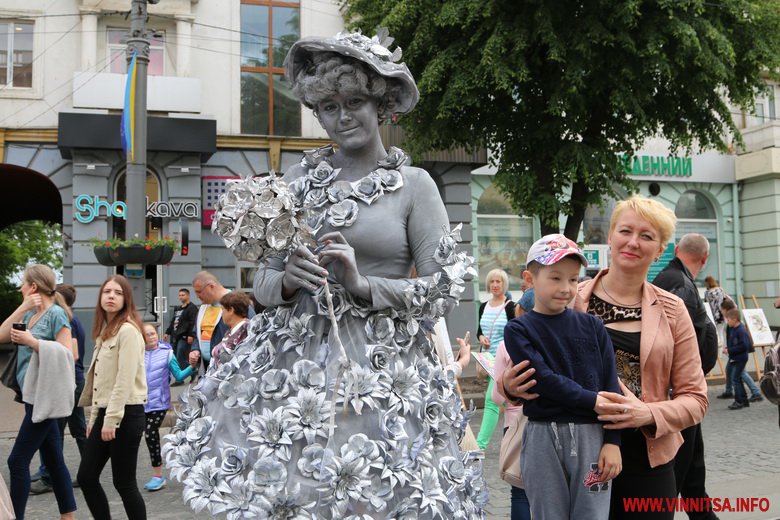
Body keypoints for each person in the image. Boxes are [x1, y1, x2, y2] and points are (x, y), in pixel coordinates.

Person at [165, 30, 486, 517]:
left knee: (377, 494)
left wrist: (363, 285)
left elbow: (443, 291)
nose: (343, 116)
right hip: (295, 378)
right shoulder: (296, 182)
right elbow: (264, 288)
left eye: (354, 100)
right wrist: (289, 279)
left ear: (380, 104)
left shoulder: (415, 185)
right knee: (300, 498)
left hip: (382, 375)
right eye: (329, 106)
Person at [502, 196, 708, 520]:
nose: (633, 242)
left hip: (647, 460)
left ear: (660, 247)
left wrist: (647, 413)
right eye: (625, 230)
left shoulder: (672, 309)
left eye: (647, 236)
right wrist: (510, 386)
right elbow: (532, 367)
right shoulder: (569, 294)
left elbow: (696, 399)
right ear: (610, 236)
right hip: (576, 451)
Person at [505, 234, 622, 519]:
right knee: (548, 515)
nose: (566, 288)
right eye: (555, 278)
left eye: (573, 279)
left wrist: (613, 442)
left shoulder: (594, 326)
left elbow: (611, 386)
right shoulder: (519, 330)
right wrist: (592, 401)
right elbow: (543, 379)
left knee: (592, 514)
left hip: (593, 442)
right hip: (542, 438)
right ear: (529, 279)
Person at [0, 265, 77, 520]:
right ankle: (69, 516)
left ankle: (14, 517)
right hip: (31, 395)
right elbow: (0, 335)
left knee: (17, 461)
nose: (20, 287)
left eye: (23, 284)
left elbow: (68, 354)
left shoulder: (56, 314)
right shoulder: (30, 313)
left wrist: (33, 342)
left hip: (45, 399)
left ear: (33, 286)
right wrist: (23, 306)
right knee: (53, 460)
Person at [651, 233, 719, 520]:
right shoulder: (678, 284)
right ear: (704, 259)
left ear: (676, 250)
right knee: (676, 476)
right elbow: (670, 342)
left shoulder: (674, 279)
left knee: (692, 477)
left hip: (684, 393)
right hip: (676, 395)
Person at [77, 275, 147, 520]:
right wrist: (94, 418)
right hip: (107, 412)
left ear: (126, 299)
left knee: (124, 483)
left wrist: (110, 420)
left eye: (117, 293)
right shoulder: (105, 332)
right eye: (107, 291)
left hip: (126, 413)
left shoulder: (128, 331)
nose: (111, 296)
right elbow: (100, 383)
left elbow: (124, 381)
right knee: (86, 477)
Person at [30, 284, 88, 496]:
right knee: (78, 430)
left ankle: (49, 476)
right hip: (76, 380)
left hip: (68, 381)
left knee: (54, 431)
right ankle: (86, 472)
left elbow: (71, 354)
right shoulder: (72, 318)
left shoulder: (66, 320)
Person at [140, 323, 194, 491]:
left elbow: (178, 375)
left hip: (160, 403)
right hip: (141, 403)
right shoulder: (136, 354)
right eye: (147, 334)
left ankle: (158, 476)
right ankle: (157, 474)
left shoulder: (167, 354)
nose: (151, 337)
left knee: (150, 434)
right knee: (146, 436)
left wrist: (192, 367)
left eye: (153, 333)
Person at [475, 268, 516, 449]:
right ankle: (515, 439)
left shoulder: (510, 306)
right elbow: (479, 331)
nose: (495, 285)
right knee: (508, 402)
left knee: (492, 401)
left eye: (498, 281)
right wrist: (481, 339)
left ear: (504, 284)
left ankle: (479, 446)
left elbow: (515, 331)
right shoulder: (483, 306)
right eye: (492, 281)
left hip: (504, 359)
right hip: (487, 359)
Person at [492, 340, 530, 520]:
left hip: (516, 424)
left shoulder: (506, 344)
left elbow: (496, 396)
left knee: (520, 491)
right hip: (554, 421)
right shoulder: (559, 335)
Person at [188, 271, 255, 373]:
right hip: (208, 368)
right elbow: (197, 334)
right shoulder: (203, 308)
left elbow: (253, 331)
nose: (197, 296)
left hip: (229, 371)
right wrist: (195, 349)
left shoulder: (236, 302)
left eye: (199, 291)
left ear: (211, 286)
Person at [716, 299, 763, 401]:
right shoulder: (731, 320)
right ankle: (729, 390)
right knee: (729, 370)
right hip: (734, 352)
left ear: (725, 309)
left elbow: (740, 342)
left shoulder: (735, 322)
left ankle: (756, 392)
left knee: (741, 373)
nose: (721, 312)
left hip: (738, 353)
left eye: (722, 310)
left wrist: (730, 350)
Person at [209, 291, 251, 368]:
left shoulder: (246, 329)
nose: (221, 314)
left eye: (222, 309)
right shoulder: (232, 330)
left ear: (231, 310)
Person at [163, 288, 197, 380]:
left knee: (179, 357)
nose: (181, 297)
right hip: (175, 336)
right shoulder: (177, 309)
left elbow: (193, 322)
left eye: (183, 295)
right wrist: (167, 332)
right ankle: (192, 371)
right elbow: (173, 322)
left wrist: (191, 335)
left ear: (188, 295)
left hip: (184, 336)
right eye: (179, 295)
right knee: (175, 358)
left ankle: (181, 377)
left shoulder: (192, 308)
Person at [724, 308, 753, 410]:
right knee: (738, 379)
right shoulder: (733, 329)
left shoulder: (741, 330)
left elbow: (744, 346)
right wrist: (729, 348)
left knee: (735, 379)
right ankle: (744, 400)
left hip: (740, 358)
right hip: (735, 357)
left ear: (735, 319)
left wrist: (730, 350)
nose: (727, 321)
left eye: (728, 319)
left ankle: (739, 401)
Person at [703, 276, 729, 345]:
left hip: (712, 315)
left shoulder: (707, 293)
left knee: (715, 334)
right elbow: (725, 300)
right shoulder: (721, 290)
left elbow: (706, 304)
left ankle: (717, 352)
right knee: (721, 333)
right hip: (722, 314)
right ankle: (720, 353)